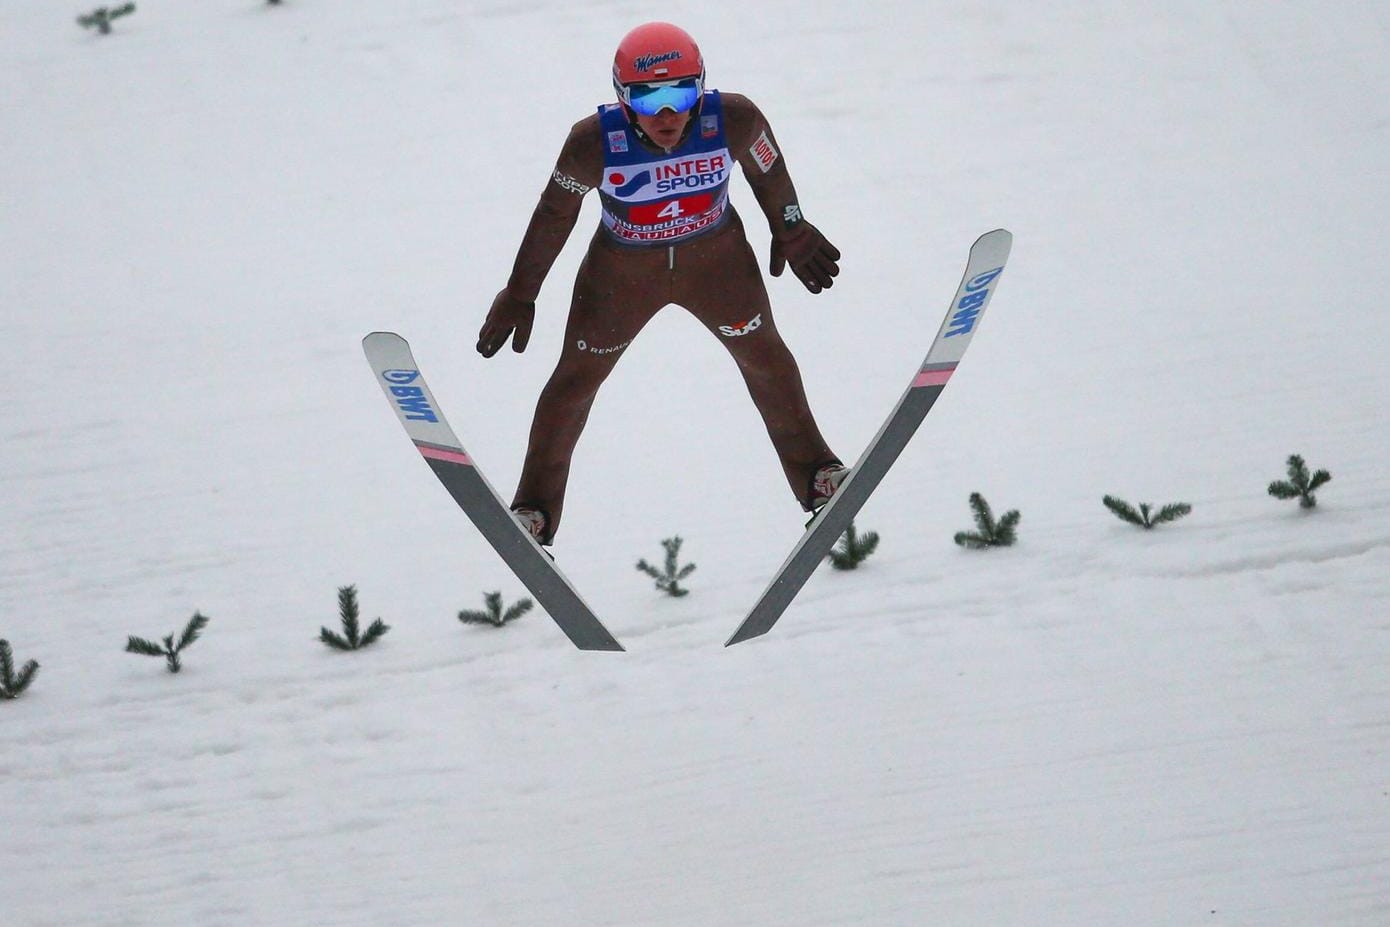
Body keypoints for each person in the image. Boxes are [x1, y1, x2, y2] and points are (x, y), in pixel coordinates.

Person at [477, 21, 846, 545]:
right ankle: (533, 510)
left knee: (766, 359)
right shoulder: (593, 144)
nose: (668, 115)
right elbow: (553, 215)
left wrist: (790, 226)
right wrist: (520, 293)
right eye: (649, 100)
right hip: (622, 276)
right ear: (623, 101)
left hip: (716, 265)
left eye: (681, 94)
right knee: (574, 384)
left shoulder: (734, 119)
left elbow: (769, 171)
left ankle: (817, 476)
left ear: (701, 88)